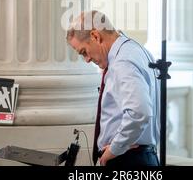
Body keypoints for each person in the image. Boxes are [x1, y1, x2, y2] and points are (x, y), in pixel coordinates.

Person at [66, 11, 160, 167]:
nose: (87, 59)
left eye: (84, 52)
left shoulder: (122, 62)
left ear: (95, 36)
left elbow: (139, 111)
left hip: (128, 160)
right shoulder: (136, 50)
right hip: (139, 157)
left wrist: (115, 149)